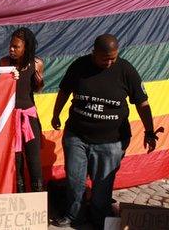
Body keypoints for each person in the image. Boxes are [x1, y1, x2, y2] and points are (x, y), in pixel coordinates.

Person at [51, 34, 161, 229]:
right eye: (105, 58)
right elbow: (64, 91)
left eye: (113, 58)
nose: (109, 62)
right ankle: (73, 214)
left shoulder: (125, 70)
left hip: (111, 141)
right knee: (75, 179)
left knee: (102, 186)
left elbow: (142, 104)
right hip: (77, 135)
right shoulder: (79, 66)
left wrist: (149, 131)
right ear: (94, 53)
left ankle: (99, 216)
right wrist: (55, 114)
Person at [0, 27, 44, 192]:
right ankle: (20, 199)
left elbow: (36, 90)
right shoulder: (4, 63)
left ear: (26, 48)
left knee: (34, 160)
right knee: (15, 161)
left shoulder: (37, 64)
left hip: (29, 117)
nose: (11, 49)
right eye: (11, 45)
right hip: (11, 118)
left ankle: (38, 199)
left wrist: (40, 83)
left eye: (16, 47)